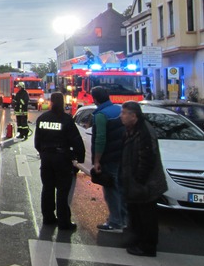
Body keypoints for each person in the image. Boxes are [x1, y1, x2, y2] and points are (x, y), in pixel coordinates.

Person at [119, 101, 167, 257]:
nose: (121, 116)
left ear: (133, 116)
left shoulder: (144, 132)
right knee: (136, 214)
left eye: (124, 113)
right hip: (135, 182)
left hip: (146, 184)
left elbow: (147, 159)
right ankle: (137, 240)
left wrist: (139, 180)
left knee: (147, 217)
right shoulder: (131, 129)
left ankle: (147, 246)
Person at [34, 92, 85, 230]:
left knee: (47, 188)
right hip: (62, 158)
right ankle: (64, 222)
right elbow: (76, 139)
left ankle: (48, 218)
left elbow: (37, 142)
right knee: (62, 191)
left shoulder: (42, 118)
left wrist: (43, 152)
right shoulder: (66, 119)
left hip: (46, 158)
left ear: (51, 102)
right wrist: (79, 157)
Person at [91, 86, 127, 233]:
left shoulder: (101, 115)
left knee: (111, 191)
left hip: (109, 158)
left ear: (95, 99)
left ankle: (114, 222)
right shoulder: (119, 110)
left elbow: (100, 139)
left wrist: (97, 160)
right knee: (122, 189)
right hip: (122, 156)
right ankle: (125, 220)